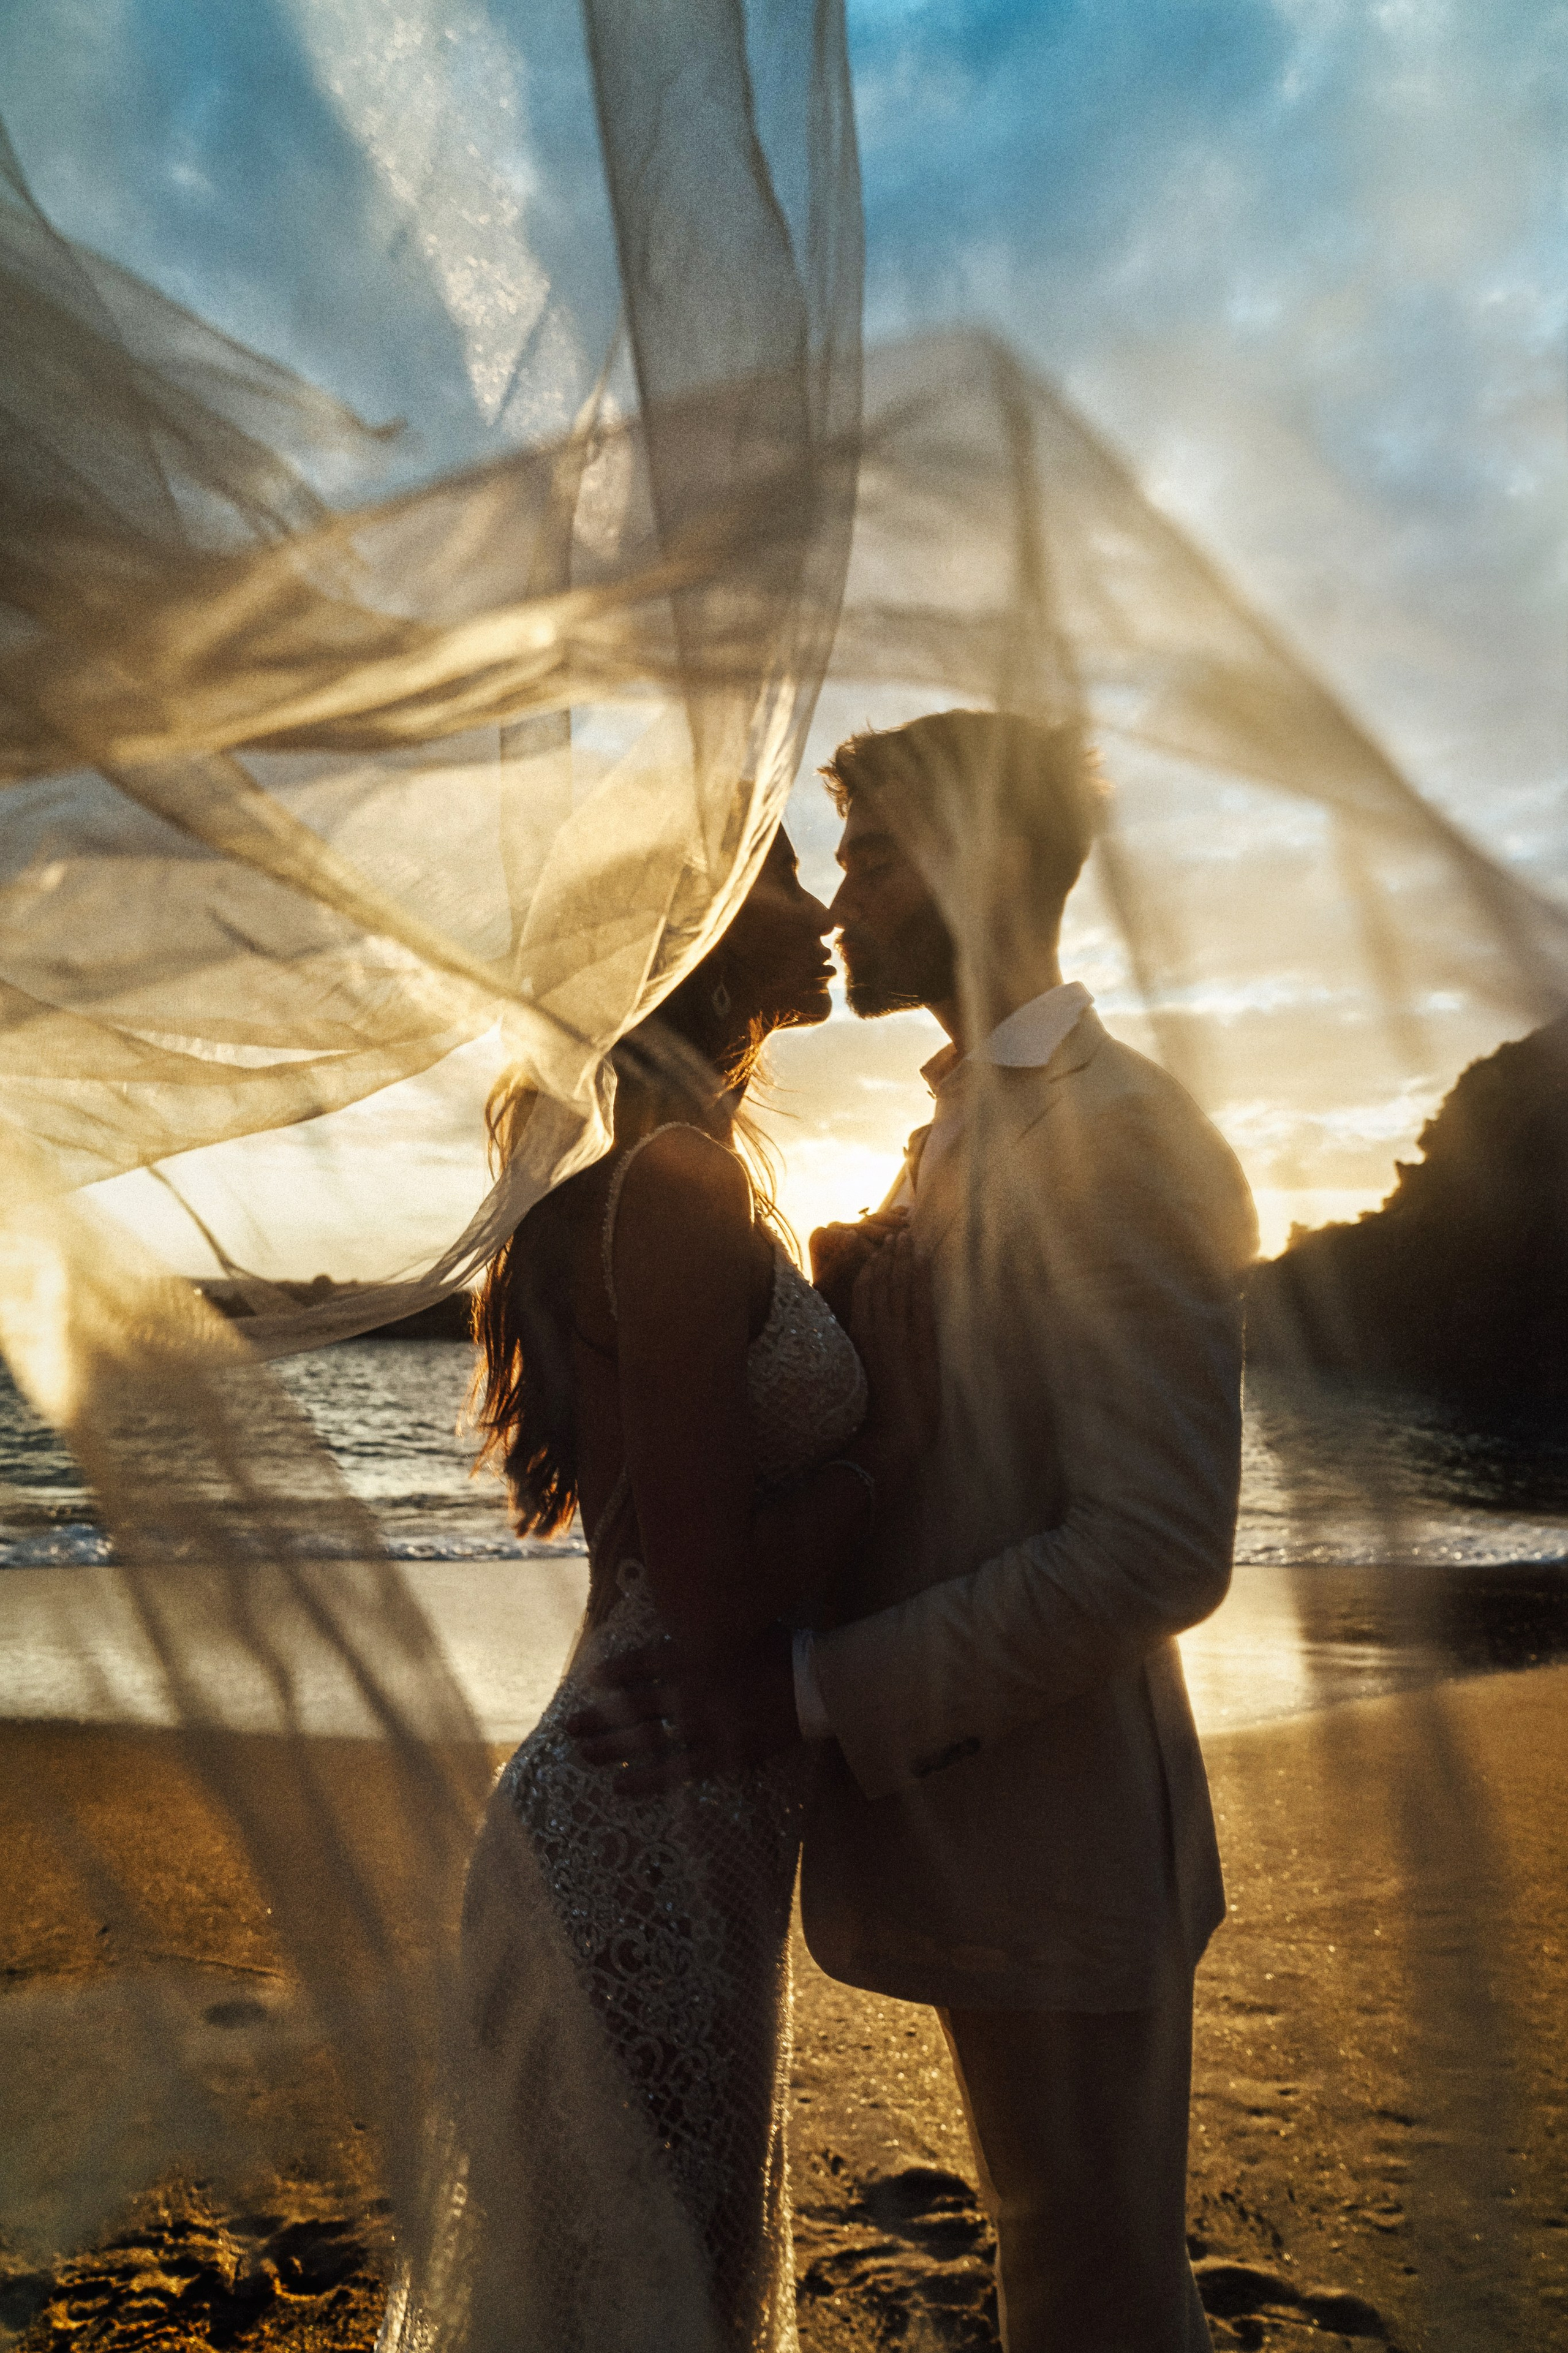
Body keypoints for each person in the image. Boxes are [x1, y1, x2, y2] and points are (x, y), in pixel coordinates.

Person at [573, 712, 1258, 2353]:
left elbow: (1159, 1548)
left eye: (870, 858)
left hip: (1073, 1838)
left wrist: (806, 1690)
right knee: (1054, 2267)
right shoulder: (960, 1121)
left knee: (1093, 2287)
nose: (842, 901)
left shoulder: (1115, 1134)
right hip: (990, 1818)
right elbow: (971, 1452)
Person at [380, 827, 937, 2353]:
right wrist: (886, 1432)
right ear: (681, 933)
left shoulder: (667, 1183)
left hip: (669, 1809)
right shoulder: (674, 1183)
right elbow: (701, 1607)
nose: (822, 907)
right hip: (642, 1823)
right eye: (780, 876)